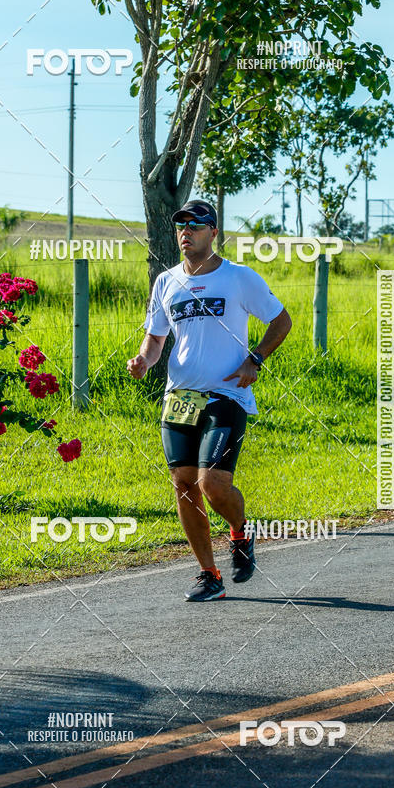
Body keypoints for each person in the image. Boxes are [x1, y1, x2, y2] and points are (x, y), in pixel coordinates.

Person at [127, 199, 292, 601]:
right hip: (179, 397)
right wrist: (145, 361)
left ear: (213, 232)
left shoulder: (238, 278)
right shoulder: (166, 282)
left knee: (212, 484)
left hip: (226, 394)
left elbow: (281, 320)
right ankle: (209, 575)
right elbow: (156, 336)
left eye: (195, 226)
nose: (186, 232)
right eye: (181, 226)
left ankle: (240, 533)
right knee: (184, 485)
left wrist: (256, 359)